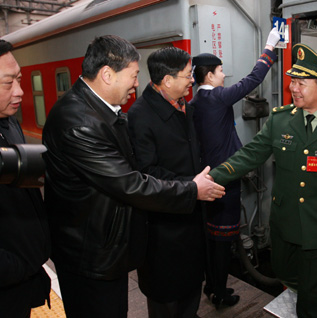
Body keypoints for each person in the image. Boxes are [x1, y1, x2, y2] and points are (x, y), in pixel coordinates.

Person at [42, 35, 225, 318]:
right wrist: (191, 189)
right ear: (107, 74)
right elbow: (130, 183)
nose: (137, 83)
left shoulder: (99, 111)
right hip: (90, 257)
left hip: (104, 250)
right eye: (133, 75)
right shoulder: (79, 122)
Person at [209, 43, 317, 318]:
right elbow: (249, 155)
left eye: (302, 83)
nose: (294, 88)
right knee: (285, 273)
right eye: (293, 82)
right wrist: (210, 178)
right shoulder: (280, 121)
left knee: (312, 291)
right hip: (285, 220)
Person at [189, 27, 279, 309]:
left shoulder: (195, 102)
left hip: (207, 177)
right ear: (209, 75)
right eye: (220, 71)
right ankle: (219, 292)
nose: (224, 75)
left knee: (212, 239)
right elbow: (252, 81)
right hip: (225, 179)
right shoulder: (215, 97)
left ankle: (211, 286)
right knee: (222, 240)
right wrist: (269, 49)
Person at [127, 46, 205, 318]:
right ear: (167, 80)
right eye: (187, 75)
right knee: (166, 300)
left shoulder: (182, 106)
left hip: (191, 216)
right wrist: (193, 185)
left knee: (190, 294)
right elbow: (146, 171)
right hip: (164, 227)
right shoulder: (141, 115)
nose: (192, 80)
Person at [0, 39, 51, 318]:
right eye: (9, 83)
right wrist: (18, 266)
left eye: (19, 79)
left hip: (22, 283)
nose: (20, 91)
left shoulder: (9, 123)